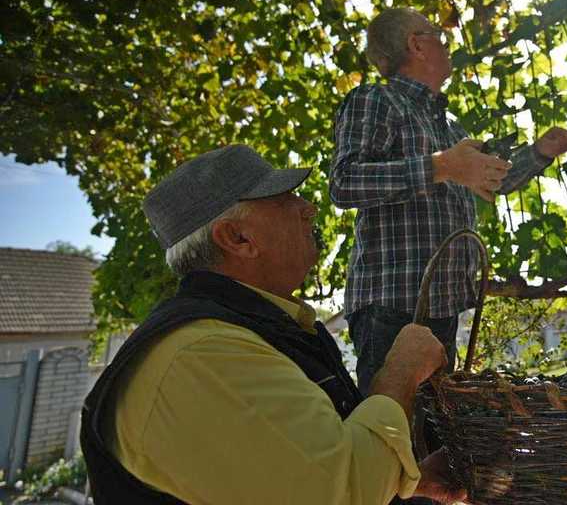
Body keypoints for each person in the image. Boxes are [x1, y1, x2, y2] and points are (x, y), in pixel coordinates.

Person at [80, 144, 465, 505]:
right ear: (238, 237)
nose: (308, 208)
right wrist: (400, 373)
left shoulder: (255, 330)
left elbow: (292, 467)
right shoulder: (202, 354)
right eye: (284, 199)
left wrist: (405, 479)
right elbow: (342, 491)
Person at [329, 6, 567, 394]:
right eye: (438, 35)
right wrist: (441, 166)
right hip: (392, 307)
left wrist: (540, 153)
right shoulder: (377, 100)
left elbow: (490, 179)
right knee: (391, 435)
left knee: (430, 442)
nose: (447, 44)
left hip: (441, 309)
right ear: (416, 44)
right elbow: (345, 183)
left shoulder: (448, 125)